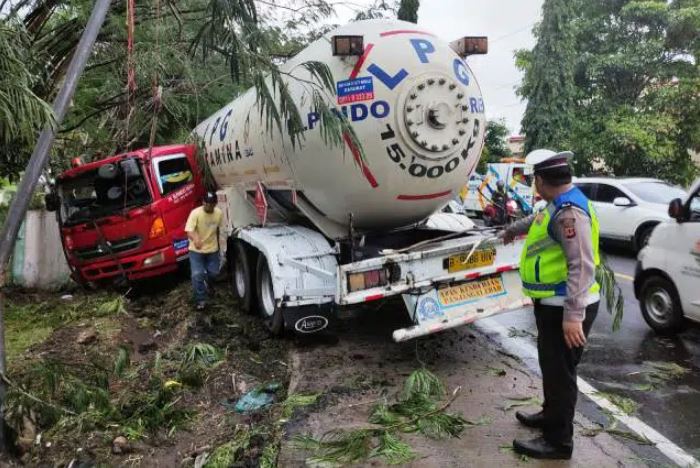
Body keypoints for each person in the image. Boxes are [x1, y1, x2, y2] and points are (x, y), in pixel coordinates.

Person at [500, 149, 600, 460]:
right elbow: (538, 219)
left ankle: (558, 442)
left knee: (561, 374)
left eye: (534, 180)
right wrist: (511, 230)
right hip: (552, 304)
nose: (534, 186)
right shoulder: (557, 204)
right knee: (552, 367)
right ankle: (549, 414)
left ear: (542, 180)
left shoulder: (570, 213)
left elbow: (581, 266)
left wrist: (573, 316)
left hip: (566, 308)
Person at [185, 191, 223, 310]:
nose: (209, 206)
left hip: (212, 249)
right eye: (206, 204)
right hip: (196, 250)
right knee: (197, 274)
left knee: (214, 273)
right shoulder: (195, 213)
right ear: (203, 203)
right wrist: (196, 239)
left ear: (215, 204)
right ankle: (200, 300)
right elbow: (189, 230)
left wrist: (222, 245)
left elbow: (220, 230)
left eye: (211, 204)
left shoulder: (219, 214)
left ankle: (209, 286)